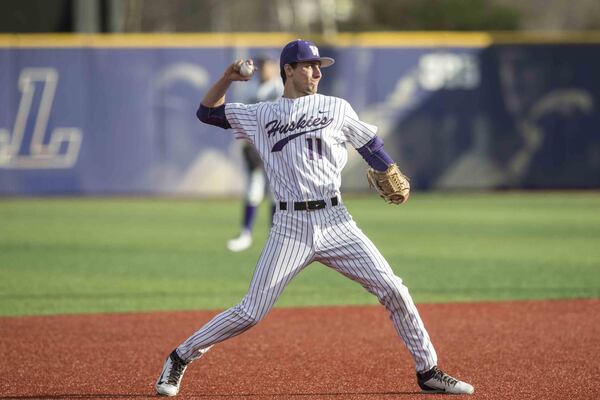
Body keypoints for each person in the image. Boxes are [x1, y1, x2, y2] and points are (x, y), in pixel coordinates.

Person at [155, 39, 474, 396]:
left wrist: (389, 169)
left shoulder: (336, 107)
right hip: (290, 228)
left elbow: (370, 143)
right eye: (308, 65)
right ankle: (180, 356)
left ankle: (428, 370)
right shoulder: (261, 114)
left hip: (337, 222)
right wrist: (228, 78)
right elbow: (207, 113)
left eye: (319, 65)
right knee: (251, 312)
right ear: (288, 69)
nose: (317, 71)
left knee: (394, 289)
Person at [227, 55, 284, 252]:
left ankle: (275, 236)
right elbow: (241, 117)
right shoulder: (248, 89)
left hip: (279, 147)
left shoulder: (282, 88)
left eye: (269, 65)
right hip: (255, 145)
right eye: (263, 66)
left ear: (276, 68)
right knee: (253, 189)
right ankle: (245, 233)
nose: (266, 69)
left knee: (278, 193)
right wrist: (245, 144)